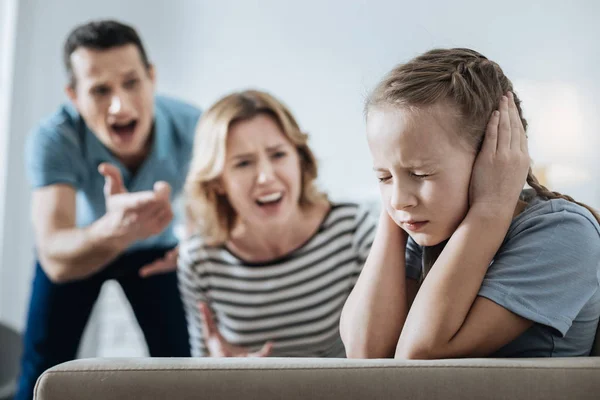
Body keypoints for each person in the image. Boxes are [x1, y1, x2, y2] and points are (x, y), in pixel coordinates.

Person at [340, 48, 600, 359]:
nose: (399, 199)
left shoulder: (563, 232)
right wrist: (393, 214)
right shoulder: (428, 227)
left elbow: (418, 356)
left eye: (420, 173)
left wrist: (491, 206)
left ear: (492, 159)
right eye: (383, 177)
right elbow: (365, 354)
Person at [17, 20, 200, 399]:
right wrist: (114, 231)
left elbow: (223, 214)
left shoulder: (194, 126)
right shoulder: (53, 138)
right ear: (74, 96)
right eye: (100, 90)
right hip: (82, 247)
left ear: (151, 77)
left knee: (179, 368)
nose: (120, 105)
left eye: (131, 82)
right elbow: (53, 254)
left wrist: (197, 243)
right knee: (40, 370)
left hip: (155, 252)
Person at [178, 89, 376, 357]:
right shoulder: (199, 261)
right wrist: (222, 374)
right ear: (217, 182)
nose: (265, 177)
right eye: (243, 163)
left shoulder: (355, 230)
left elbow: (382, 356)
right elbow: (198, 375)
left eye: (278, 155)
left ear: (300, 158)